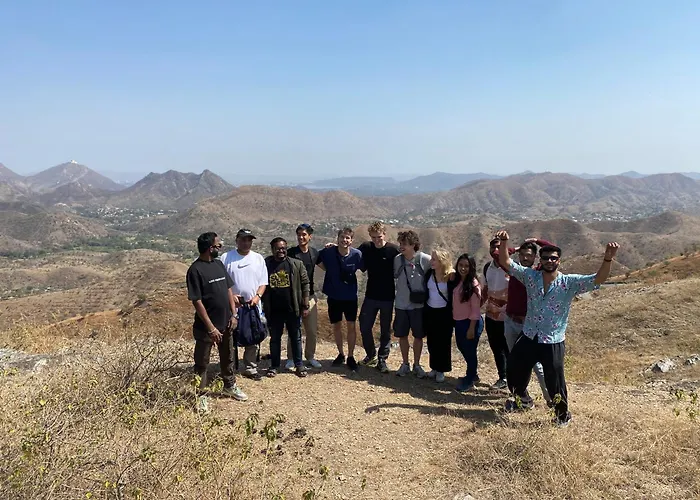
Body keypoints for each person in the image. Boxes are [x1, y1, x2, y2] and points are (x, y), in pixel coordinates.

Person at [495, 230, 620, 427]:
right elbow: (506, 262)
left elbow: (598, 279)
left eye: (553, 258)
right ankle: (522, 401)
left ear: (559, 261)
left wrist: (607, 259)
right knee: (514, 370)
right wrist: (504, 241)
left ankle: (562, 415)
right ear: (541, 260)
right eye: (545, 258)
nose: (549, 261)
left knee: (555, 382)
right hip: (529, 335)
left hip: (552, 340)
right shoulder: (530, 277)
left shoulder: (569, 283)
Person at [186, 232, 247, 401]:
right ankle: (201, 396)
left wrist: (234, 315)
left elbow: (228, 289)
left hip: (226, 322)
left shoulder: (218, 264)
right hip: (206, 328)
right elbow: (197, 301)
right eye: (218, 246)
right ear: (209, 248)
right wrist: (211, 328)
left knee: (227, 357)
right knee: (202, 362)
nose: (220, 248)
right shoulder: (195, 270)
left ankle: (229, 386)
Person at [505, 238, 555, 406]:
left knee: (537, 365)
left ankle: (550, 399)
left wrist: (536, 240)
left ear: (535, 257)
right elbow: (497, 254)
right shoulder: (515, 270)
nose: (525, 258)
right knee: (515, 362)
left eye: (529, 255)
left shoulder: (538, 273)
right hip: (510, 320)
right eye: (523, 255)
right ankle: (523, 398)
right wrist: (516, 248)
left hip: (529, 324)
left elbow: (552, 249)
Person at [220, 228, 268, 381]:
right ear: (237, 240)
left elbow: (263, 282)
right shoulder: (226, 257)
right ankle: (230, 368)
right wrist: (231, 297)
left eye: (249, 240)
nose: (246, 243)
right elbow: (222, 282)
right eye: (243, 240)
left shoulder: (258, 258)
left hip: (253, 306)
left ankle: (250, 367)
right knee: (230, 337)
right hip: (233, 306)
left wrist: (258, 296)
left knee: (253, 336)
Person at [317, 227, 364, 372]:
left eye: (347, 238)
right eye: (342, 237)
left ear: (352, 240)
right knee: (336, 325)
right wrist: (328, 270)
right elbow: (316, 258)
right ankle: (341, 354)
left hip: (350, 296)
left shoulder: (356, 254)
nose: (344, 240)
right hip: (333, 296)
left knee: (351, 326)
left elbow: (363, 267)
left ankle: (350, 356)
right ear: (337, 238)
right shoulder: (328, 252)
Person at [262, 237, 309, 378]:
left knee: (296, 338)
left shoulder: (296, 264)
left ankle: (299, 365)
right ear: (272, 249)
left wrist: (305, 304)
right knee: (275, 339)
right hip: (274, 310)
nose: (281, 251)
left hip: (292, 308)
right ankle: (274, 366)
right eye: (278, 248)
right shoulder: (266, 264)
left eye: (283, 248)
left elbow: (305, 283)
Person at [357, 221, 400, 373]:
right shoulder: (366, 248)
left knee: (385, 330)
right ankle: (371, 355)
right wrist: (334, 247)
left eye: (379, 237)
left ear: (384, 235)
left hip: (387, 296)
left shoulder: (393, 250)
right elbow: (350, 254)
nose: (376, 240)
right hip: (371, 295)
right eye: (373, 237)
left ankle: (382, 359)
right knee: (364, 325)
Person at [393, 230, 431, 378]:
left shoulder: (424, 259)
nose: (401, 246)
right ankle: (405, 364)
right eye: (401, 243)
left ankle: (417, 364)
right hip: (401, 304)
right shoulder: (397, 260)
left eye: (405, 244)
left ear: (413, 245)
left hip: (418, 306)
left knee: (418, 336)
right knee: (402, 335)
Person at [287, 224, 322, 369]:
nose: (301, 237)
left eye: (304, 234)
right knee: (294, 328)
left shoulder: (314, 253)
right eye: (299, 234)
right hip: (294, 296)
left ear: (310, 236)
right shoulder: (291, 253)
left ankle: (310, 356)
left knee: (311, 330)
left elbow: (326, 264)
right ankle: (291, 357)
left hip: (311, 295)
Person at [452, 253, 484, 392]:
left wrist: (471, 328)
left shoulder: (473, 285)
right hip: (459, 321)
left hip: (471, 322)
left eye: (466, 266)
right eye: (461, 265)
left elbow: (475, 310)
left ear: (471, 268)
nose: (463, 268)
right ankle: (473, 374)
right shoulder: (458, 280)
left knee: (470, 352)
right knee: (461, 346)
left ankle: (470, 379)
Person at [423, 248, 456, 383]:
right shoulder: (429, 274)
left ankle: (441, 369)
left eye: (434, 259)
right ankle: (434, 367)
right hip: (430, 311)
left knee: (443, 342)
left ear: (442, 261)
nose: (431, 261)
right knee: (432, 341)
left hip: (444, 313)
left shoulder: (451, 276)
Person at [482, 237, 512, 389]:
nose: (495, 250)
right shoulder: (488, 267)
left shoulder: (512, 267)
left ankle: (515, 381)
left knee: (509, 349)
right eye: (492, 247)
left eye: (499, 247)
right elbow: (485, 290)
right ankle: (503, 377)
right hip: (491, 316)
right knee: (496, 348)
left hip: (509, 318)